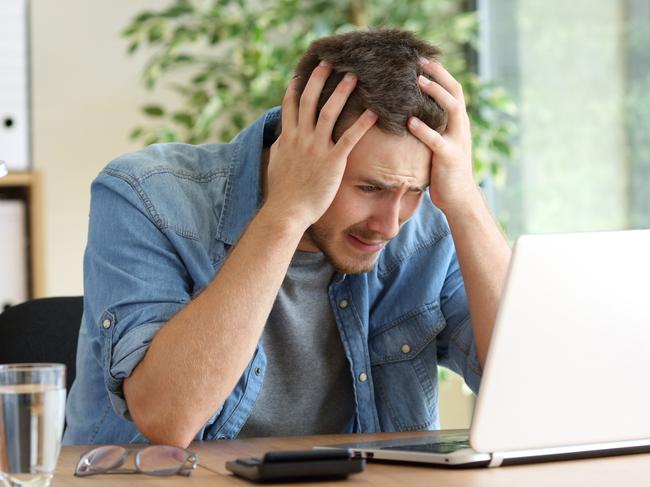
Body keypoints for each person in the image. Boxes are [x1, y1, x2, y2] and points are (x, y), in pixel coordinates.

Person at [64, 29, 510, 447]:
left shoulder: (427, 227)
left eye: (413, 191)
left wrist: (466, 202)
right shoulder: (145, 195)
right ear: (298, 145)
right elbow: (168, 418)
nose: (390, 225)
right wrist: (288, 210)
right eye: (369, 188)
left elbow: (531, 391)